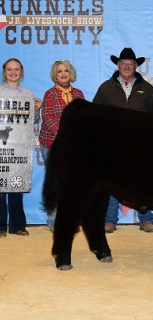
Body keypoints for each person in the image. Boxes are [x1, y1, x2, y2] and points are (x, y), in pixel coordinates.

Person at [93, 47, 153, 233]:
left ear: (136, 66)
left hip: (141, 145)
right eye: (123, 63)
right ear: (118, 65)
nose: (127, 66)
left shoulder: (148, 89)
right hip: (112, 145)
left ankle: (146, 220)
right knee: (112, 182)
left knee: (142, 182)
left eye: (131, 63)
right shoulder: (106, 88)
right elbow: (95, 115)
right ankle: (110, 220)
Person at [39, 60, 85, 231]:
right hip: (52, 144)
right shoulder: (50, 94)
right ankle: (53, 221)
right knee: (55, 183)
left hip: (74, 147)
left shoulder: (79, 94)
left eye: (66, 70)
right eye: (60, 71)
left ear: (71, 73)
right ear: (55, 75)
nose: (63, 74)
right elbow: (49, 120)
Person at [0, 58, 41, 238]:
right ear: (4, 71)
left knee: (17, 185)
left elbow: (33, 121)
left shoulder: (27, 93)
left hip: (19, 147)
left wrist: (37, 109)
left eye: (16, 69)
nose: (13, 72)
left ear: (21, 72)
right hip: (1, 146)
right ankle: (0, 226)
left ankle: (17, 225)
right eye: (10, 69)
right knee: (0, 188)